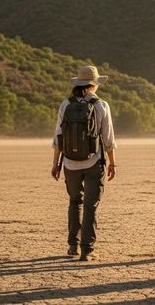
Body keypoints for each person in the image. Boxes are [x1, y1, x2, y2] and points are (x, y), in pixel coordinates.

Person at [51, 65, 117, 261]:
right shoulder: (101, 106)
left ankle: (73, 245)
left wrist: (55, 164)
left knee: (74, 202)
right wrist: (112, 164)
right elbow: (108, 140)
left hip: (69, 163)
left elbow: (58, 137)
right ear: (94, 84)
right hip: (93, 162)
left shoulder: (65, 104)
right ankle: (87, 249)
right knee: (91, 205)